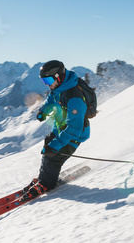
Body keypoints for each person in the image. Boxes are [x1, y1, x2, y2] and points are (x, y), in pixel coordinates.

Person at [22, 60, 91, 200]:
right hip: (61, 128)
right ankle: (44, 177)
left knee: (53, 155)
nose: (47, 84)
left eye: (48, 80)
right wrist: (43, 111)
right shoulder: (58, 88)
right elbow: (51, 101)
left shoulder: (74, 97)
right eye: (43, 81)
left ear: (59, 76)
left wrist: (54, 147)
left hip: (75, 135)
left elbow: (74, 128)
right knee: (48, 146)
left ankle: (46, 183)